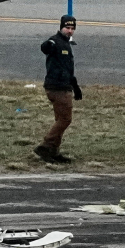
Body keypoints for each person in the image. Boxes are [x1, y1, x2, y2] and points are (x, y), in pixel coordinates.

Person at [36, 15, 82, 163]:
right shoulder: (55, 42)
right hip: (57, 88)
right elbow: (45, 47)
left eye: (72, 29)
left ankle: (53, 152)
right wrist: (48, 44)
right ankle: (46, 145)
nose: (69, 31)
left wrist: (75, 87)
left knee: (59, 120)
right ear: (61, 27)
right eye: (67, 28)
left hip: (64, 86)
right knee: (65, 119)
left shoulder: (66, 44)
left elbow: (68, 70)